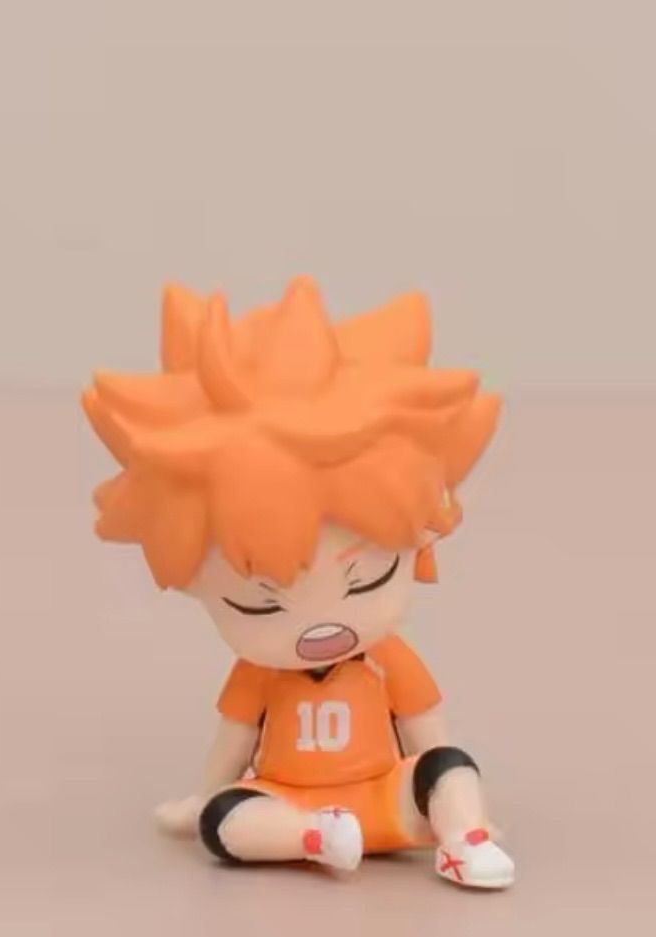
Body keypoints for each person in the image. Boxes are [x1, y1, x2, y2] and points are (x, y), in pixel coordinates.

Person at [82, 276, 515, 889]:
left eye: (365, 582)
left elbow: (427, 732)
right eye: (261, 606)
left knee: (448, 765)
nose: (322, 626)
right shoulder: (260, 675)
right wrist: (203, 797)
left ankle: (464, 838)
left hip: (387, 798)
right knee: (224, 817)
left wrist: (456, 797)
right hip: (285, 799)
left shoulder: (385, 659)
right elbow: (235, 741)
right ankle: (316, 838)